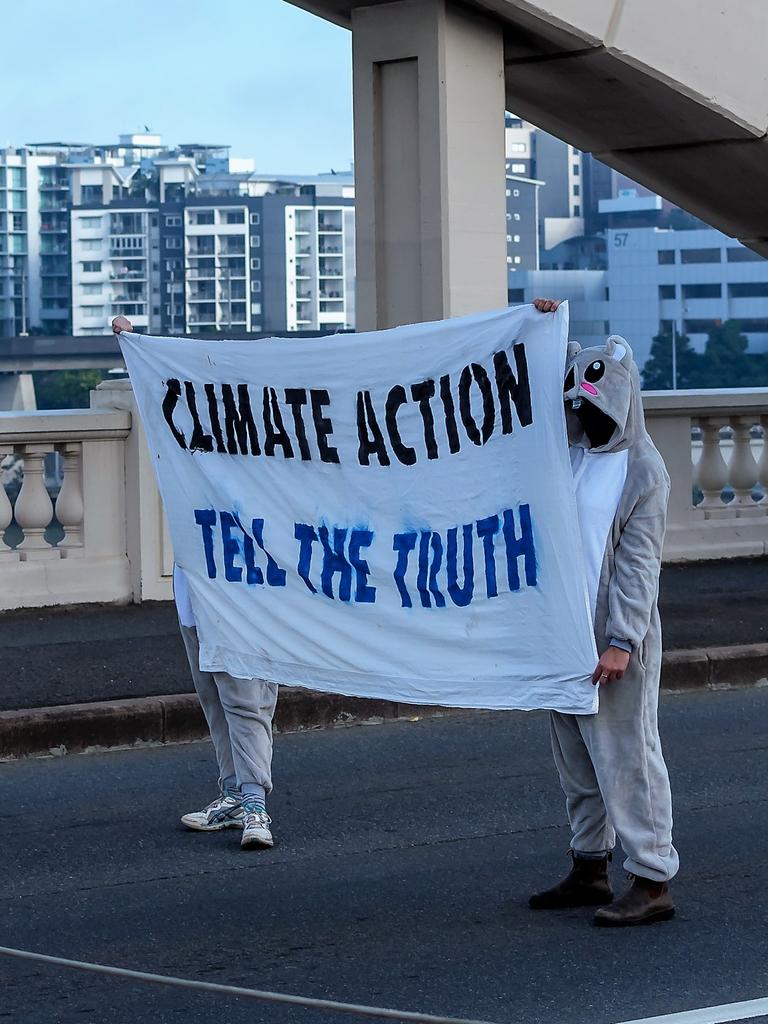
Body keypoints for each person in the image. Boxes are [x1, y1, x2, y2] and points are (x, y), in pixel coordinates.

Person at [527, 298, 677, 926]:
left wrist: (620, 640)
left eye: (593, 407)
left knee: (628, 755)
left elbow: (639, 567)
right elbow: (560, 366)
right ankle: (590, 865)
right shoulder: (575, 453)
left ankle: (652, 877)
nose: (583, 415)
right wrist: (543, 322)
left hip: (616, 642)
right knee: (576, 758)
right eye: (577, 408)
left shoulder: (643, 469)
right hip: (564, 633)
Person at [111, 314, 277, 851]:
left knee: (245, 695)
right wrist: (132, 342)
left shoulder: (267, 455)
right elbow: (163, 397)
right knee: (213, 692)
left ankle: (255, 804)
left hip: (251, 586)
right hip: (196, 586)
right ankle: (234, 792)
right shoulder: (190, 446)